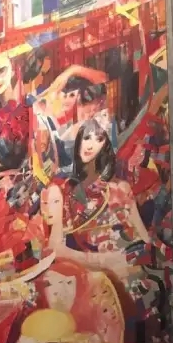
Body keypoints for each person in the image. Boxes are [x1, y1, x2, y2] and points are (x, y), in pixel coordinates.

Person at [47, 118, 150, 278]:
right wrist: (103, 261)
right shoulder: (63, 191)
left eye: (99, 139)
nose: (90, 145)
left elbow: (144, 238)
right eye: (87, 138)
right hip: (93, 278)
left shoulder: (121, 189)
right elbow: (55, 248)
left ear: (106, 145)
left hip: (130, 271)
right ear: (78, 141)